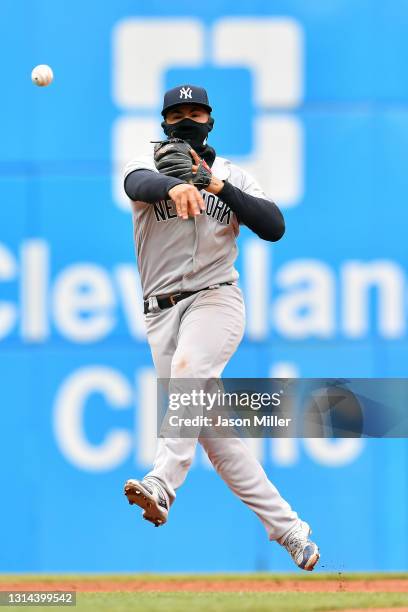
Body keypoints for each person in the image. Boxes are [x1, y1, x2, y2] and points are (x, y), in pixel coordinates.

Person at [122, 84, 319, 571]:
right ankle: (291, 530)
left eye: (196, 111)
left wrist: (218, 188)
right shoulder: (145, 169)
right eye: (178, 113)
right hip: (161, 314)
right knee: (220, 441)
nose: (187, 119)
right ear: (165, 123)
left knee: (189, 372)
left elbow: (274, 226)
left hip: (216, 301)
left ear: (210, 120)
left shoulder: (231, 174)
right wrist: (174, 185)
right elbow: (136, 185)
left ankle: (162, 483)